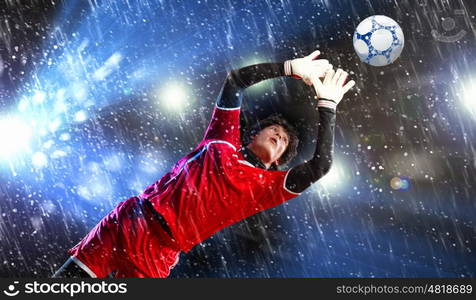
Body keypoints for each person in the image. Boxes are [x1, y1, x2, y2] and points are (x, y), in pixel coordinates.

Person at [53, 50, 355, 278]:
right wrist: (289, 69)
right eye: (274, 129)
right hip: (129, 221)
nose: (279, 134)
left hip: (158, 253)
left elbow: (320, 166)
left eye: (285, 141)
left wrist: (327, 105)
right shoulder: (221, 139)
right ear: (252, 134)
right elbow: (236, 81)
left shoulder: (267, 188)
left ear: (277, 163)